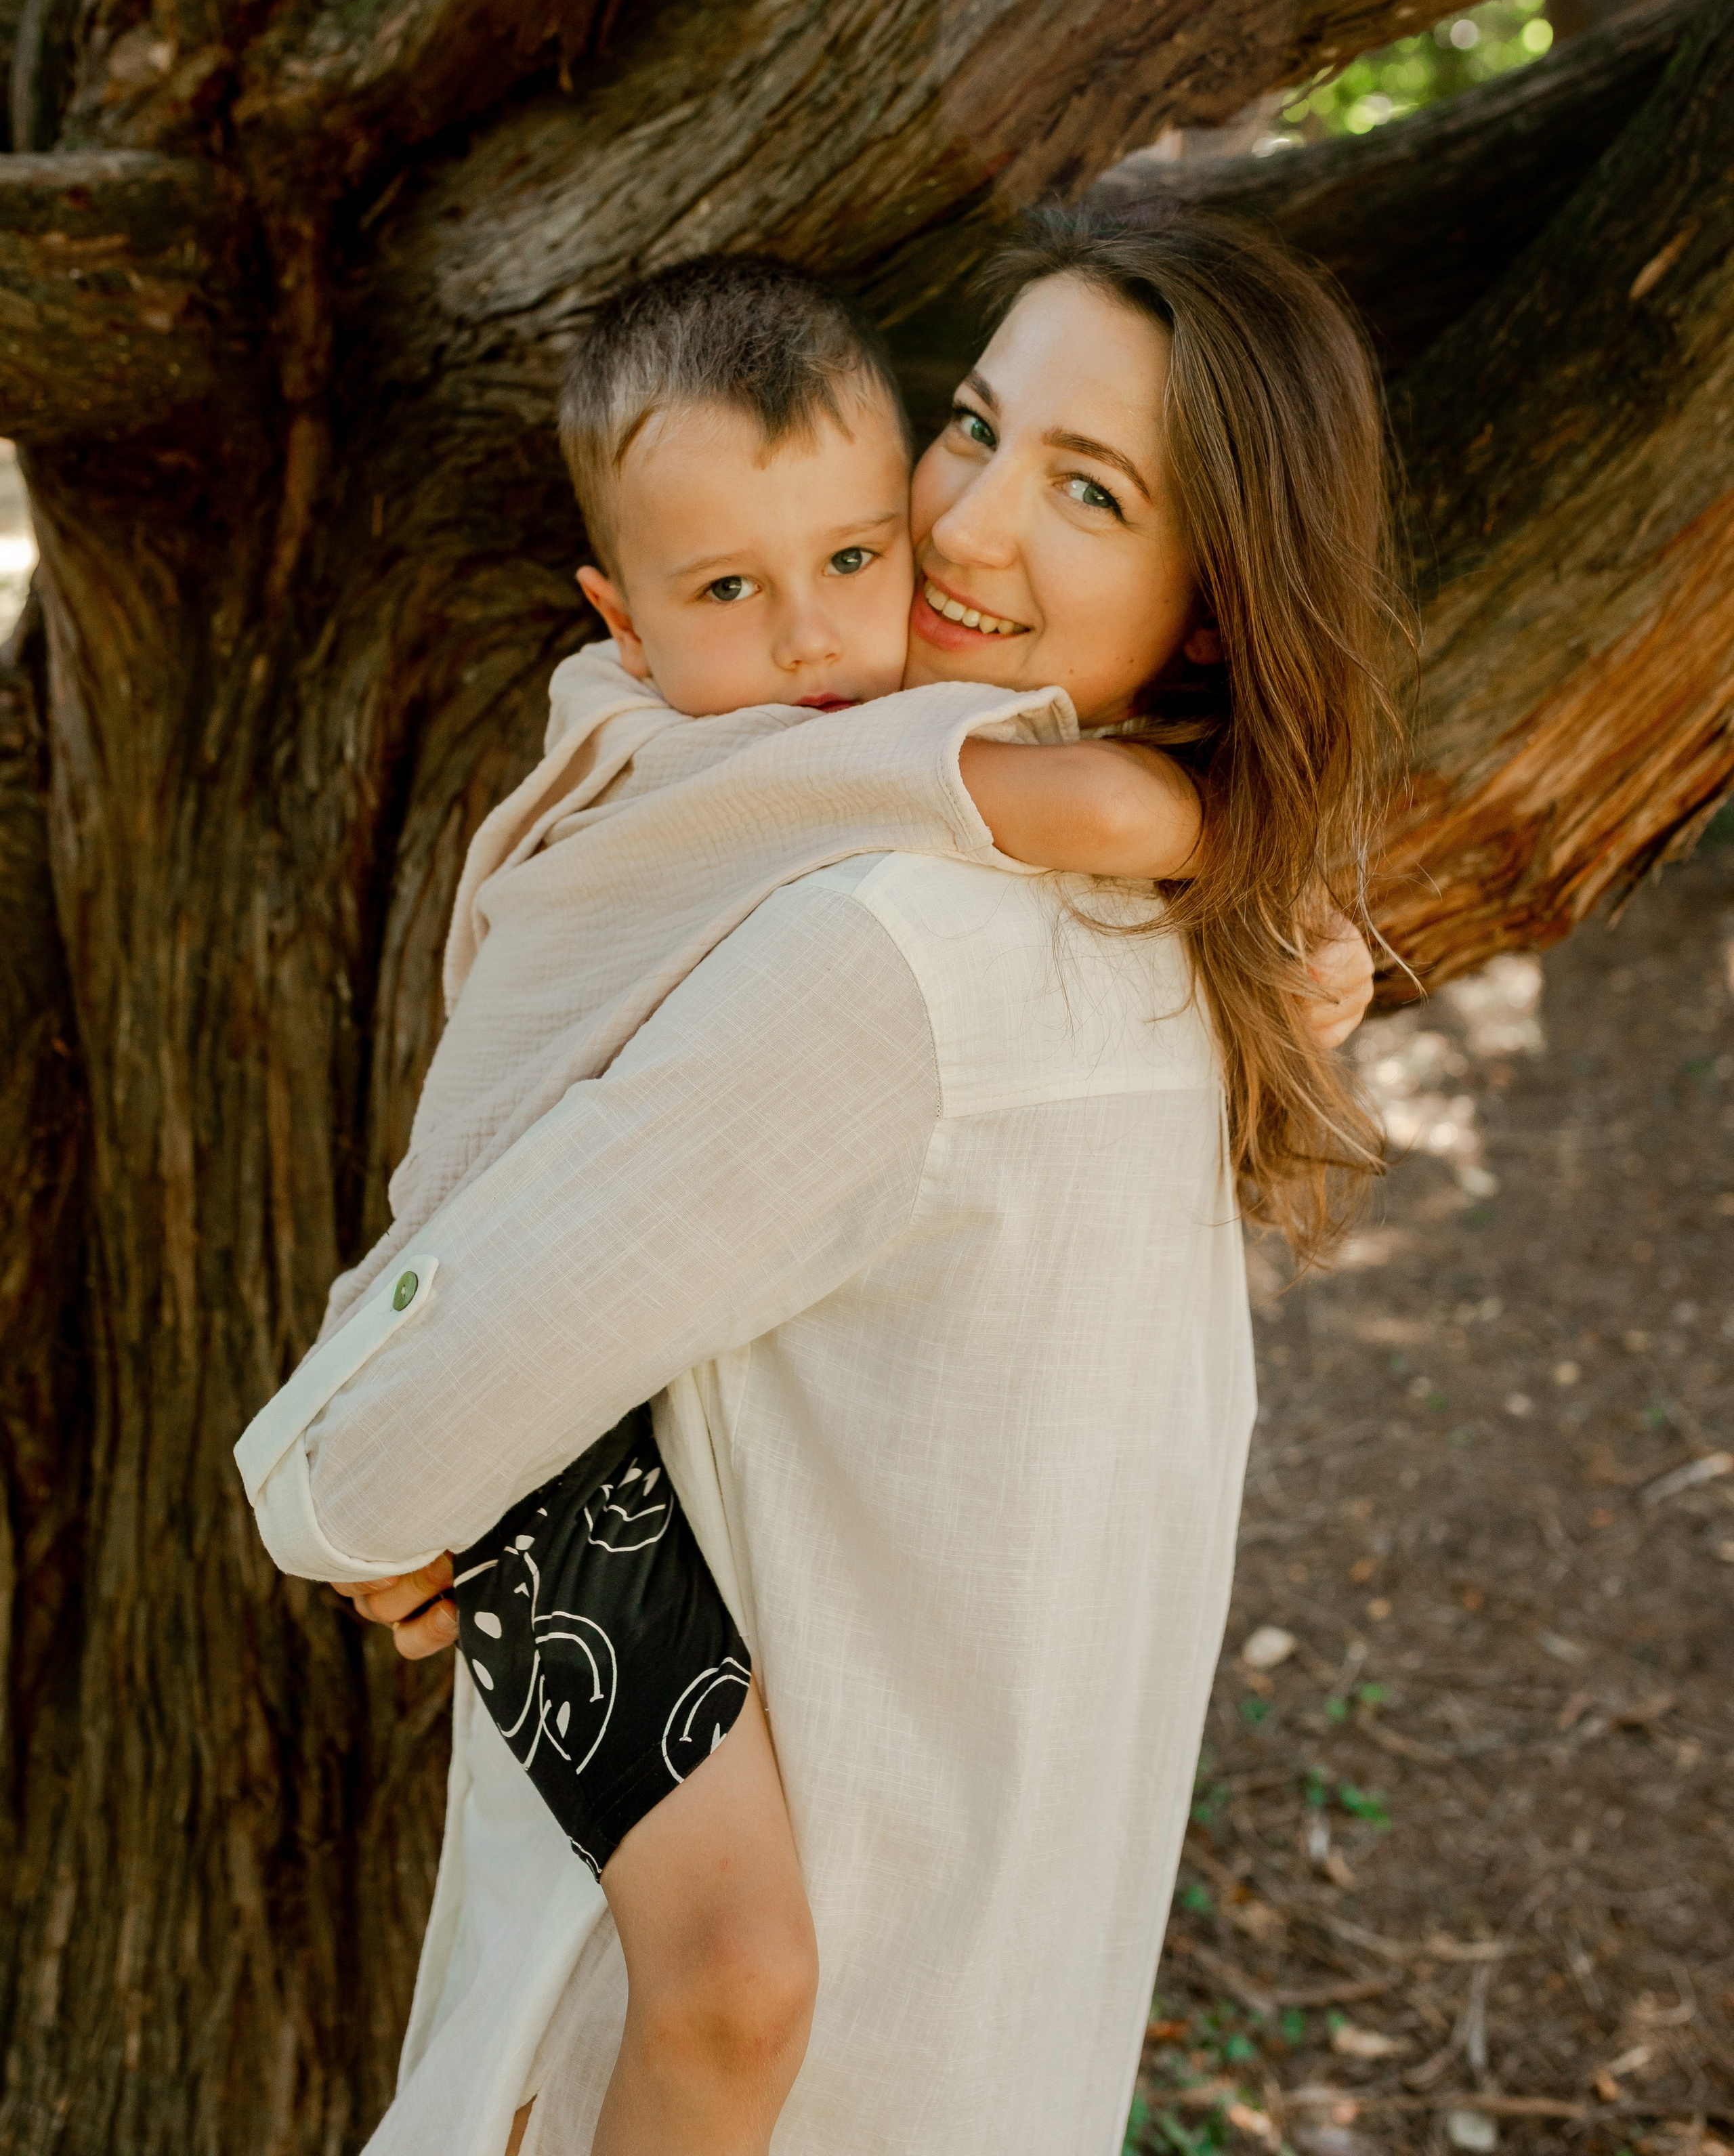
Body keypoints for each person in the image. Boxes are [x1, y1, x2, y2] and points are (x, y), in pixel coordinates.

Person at [238, 203, 1401, 2156]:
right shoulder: (1179, 943)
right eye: (976, 423)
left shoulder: (900, 957)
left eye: (1090, 492)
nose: (958, 524)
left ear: (1215, 596)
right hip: (1000, 2045)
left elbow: (350, 1462)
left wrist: (385, 1495)